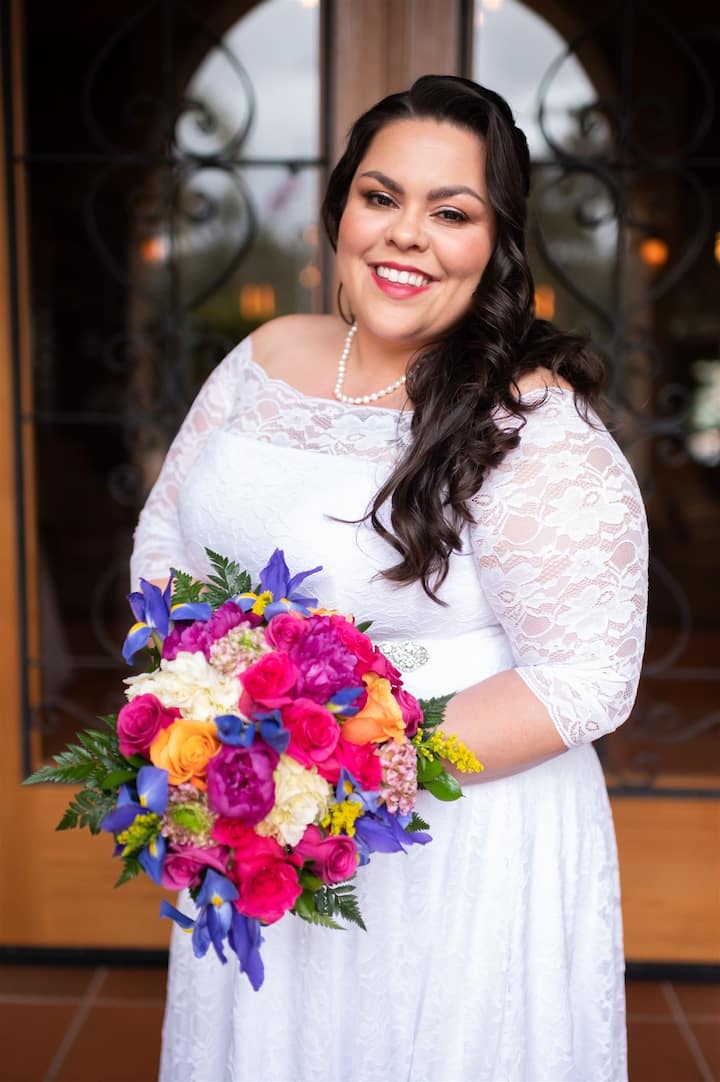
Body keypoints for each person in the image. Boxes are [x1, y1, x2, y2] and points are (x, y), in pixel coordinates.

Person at [131, 75, 647, 1082]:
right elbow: (166, 532)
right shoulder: (263, 356)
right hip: (254, 815)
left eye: (451, 212)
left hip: (457, 845)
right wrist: (203, 705)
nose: (406, 233)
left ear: (497, 243)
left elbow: (586, 679)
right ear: (340, 213)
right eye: (381, 197)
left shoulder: (532, 423)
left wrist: (335, 766)